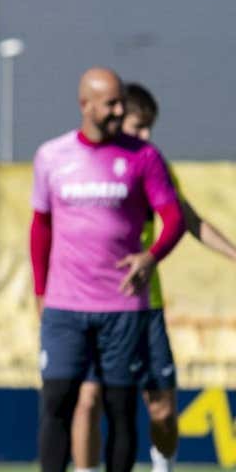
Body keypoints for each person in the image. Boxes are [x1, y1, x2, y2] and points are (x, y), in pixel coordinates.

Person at [70, 82, 236, 472]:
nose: (145, 136)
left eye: (150, 128)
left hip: (144, 306)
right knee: (89, 400)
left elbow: (188, 221)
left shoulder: (152, 163)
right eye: (138, 125)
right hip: (91, 305)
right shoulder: (80, 165)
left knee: (162, 410)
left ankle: (164, 468)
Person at [32, 67, 185, 472]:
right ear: (85, 105)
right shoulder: (52, 156)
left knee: (120, 409)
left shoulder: (144, 157)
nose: (119, 109)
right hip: (65, 308)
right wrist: (39, 292)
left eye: (121, 102)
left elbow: (174, 218)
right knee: (59, 402)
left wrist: (151, 256)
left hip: (123, 307)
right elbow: (41, 227)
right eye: (111, 103)